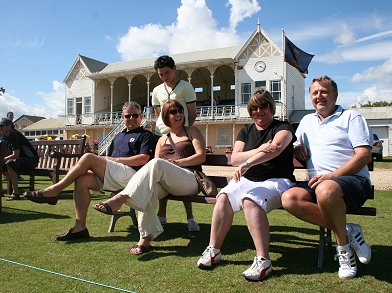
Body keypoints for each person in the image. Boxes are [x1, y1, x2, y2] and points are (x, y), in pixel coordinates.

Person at [196, 89, 296, 281]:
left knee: (251, 200)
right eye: (254, 108)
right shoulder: (246, 130)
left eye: (264, 106)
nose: (259, 111)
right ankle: (214, 250)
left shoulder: (283, 127)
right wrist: (258, 149)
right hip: (248, 179)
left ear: (271, 107)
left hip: (277, 180)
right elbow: (235, 158)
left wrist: (248, 162)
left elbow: (274, 151)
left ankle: (263, 260)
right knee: (223, 197)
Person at [281, 76, 373, 279]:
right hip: (318, 183)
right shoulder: (306, 121)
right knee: (289, 198)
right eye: (315, 93)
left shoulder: (351, 117)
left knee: (326, 189)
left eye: (324, 92)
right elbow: (297, 144)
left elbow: (364, 155)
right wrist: (296, 149)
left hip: (354, 181)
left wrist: (331, 176)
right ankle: (348, 230)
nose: (319, 96)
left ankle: (343, 250)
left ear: (335, 95)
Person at [24, 101, 155, 241]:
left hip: (133, 177)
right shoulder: (118, 136)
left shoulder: (145, 135)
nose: (132, 119)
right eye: (128, 116)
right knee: (82, 180)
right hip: (115, 175)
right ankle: (80, 228)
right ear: (122, 118)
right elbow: (108, 161)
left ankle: (55, 190)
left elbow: (143, 159)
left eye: (135, 115)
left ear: (141, 117)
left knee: (88, 157)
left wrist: (115, 160)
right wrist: (105, 163)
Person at [93, 100, 206, 255]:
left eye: (180, 110)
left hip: (190, 179)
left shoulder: (192, 131)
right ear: (166, 116)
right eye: (173, 112)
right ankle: (145, 239)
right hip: (168, 184)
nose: (178, 114)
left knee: (157, 163)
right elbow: (153, 167)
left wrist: (178, 163)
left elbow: (201, 157)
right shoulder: (161, 139)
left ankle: (120, 199)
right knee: (148, 188)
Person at [152, 55, 199, 231]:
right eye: (161, 74)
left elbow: (192, 113)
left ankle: (190, 217)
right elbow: (159, 115)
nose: (164, 76)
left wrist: (183, 132)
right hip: (163, 136)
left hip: (181, 136)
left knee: (184, 173)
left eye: (167, 72)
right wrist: (166, 131)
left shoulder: (186, 87)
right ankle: (161, 215)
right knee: (161, 173)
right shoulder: (157, 90)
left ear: (174, 69)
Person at [0, 118, 39, 200]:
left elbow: (15, 155)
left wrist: (2, 159)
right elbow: (4, 152)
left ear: (9, 127)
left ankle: (16, 193)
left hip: (31, 161)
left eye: (2, 126)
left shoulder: (14, 135)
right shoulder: (5, 136)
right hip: (20, 160)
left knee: (9, 163)